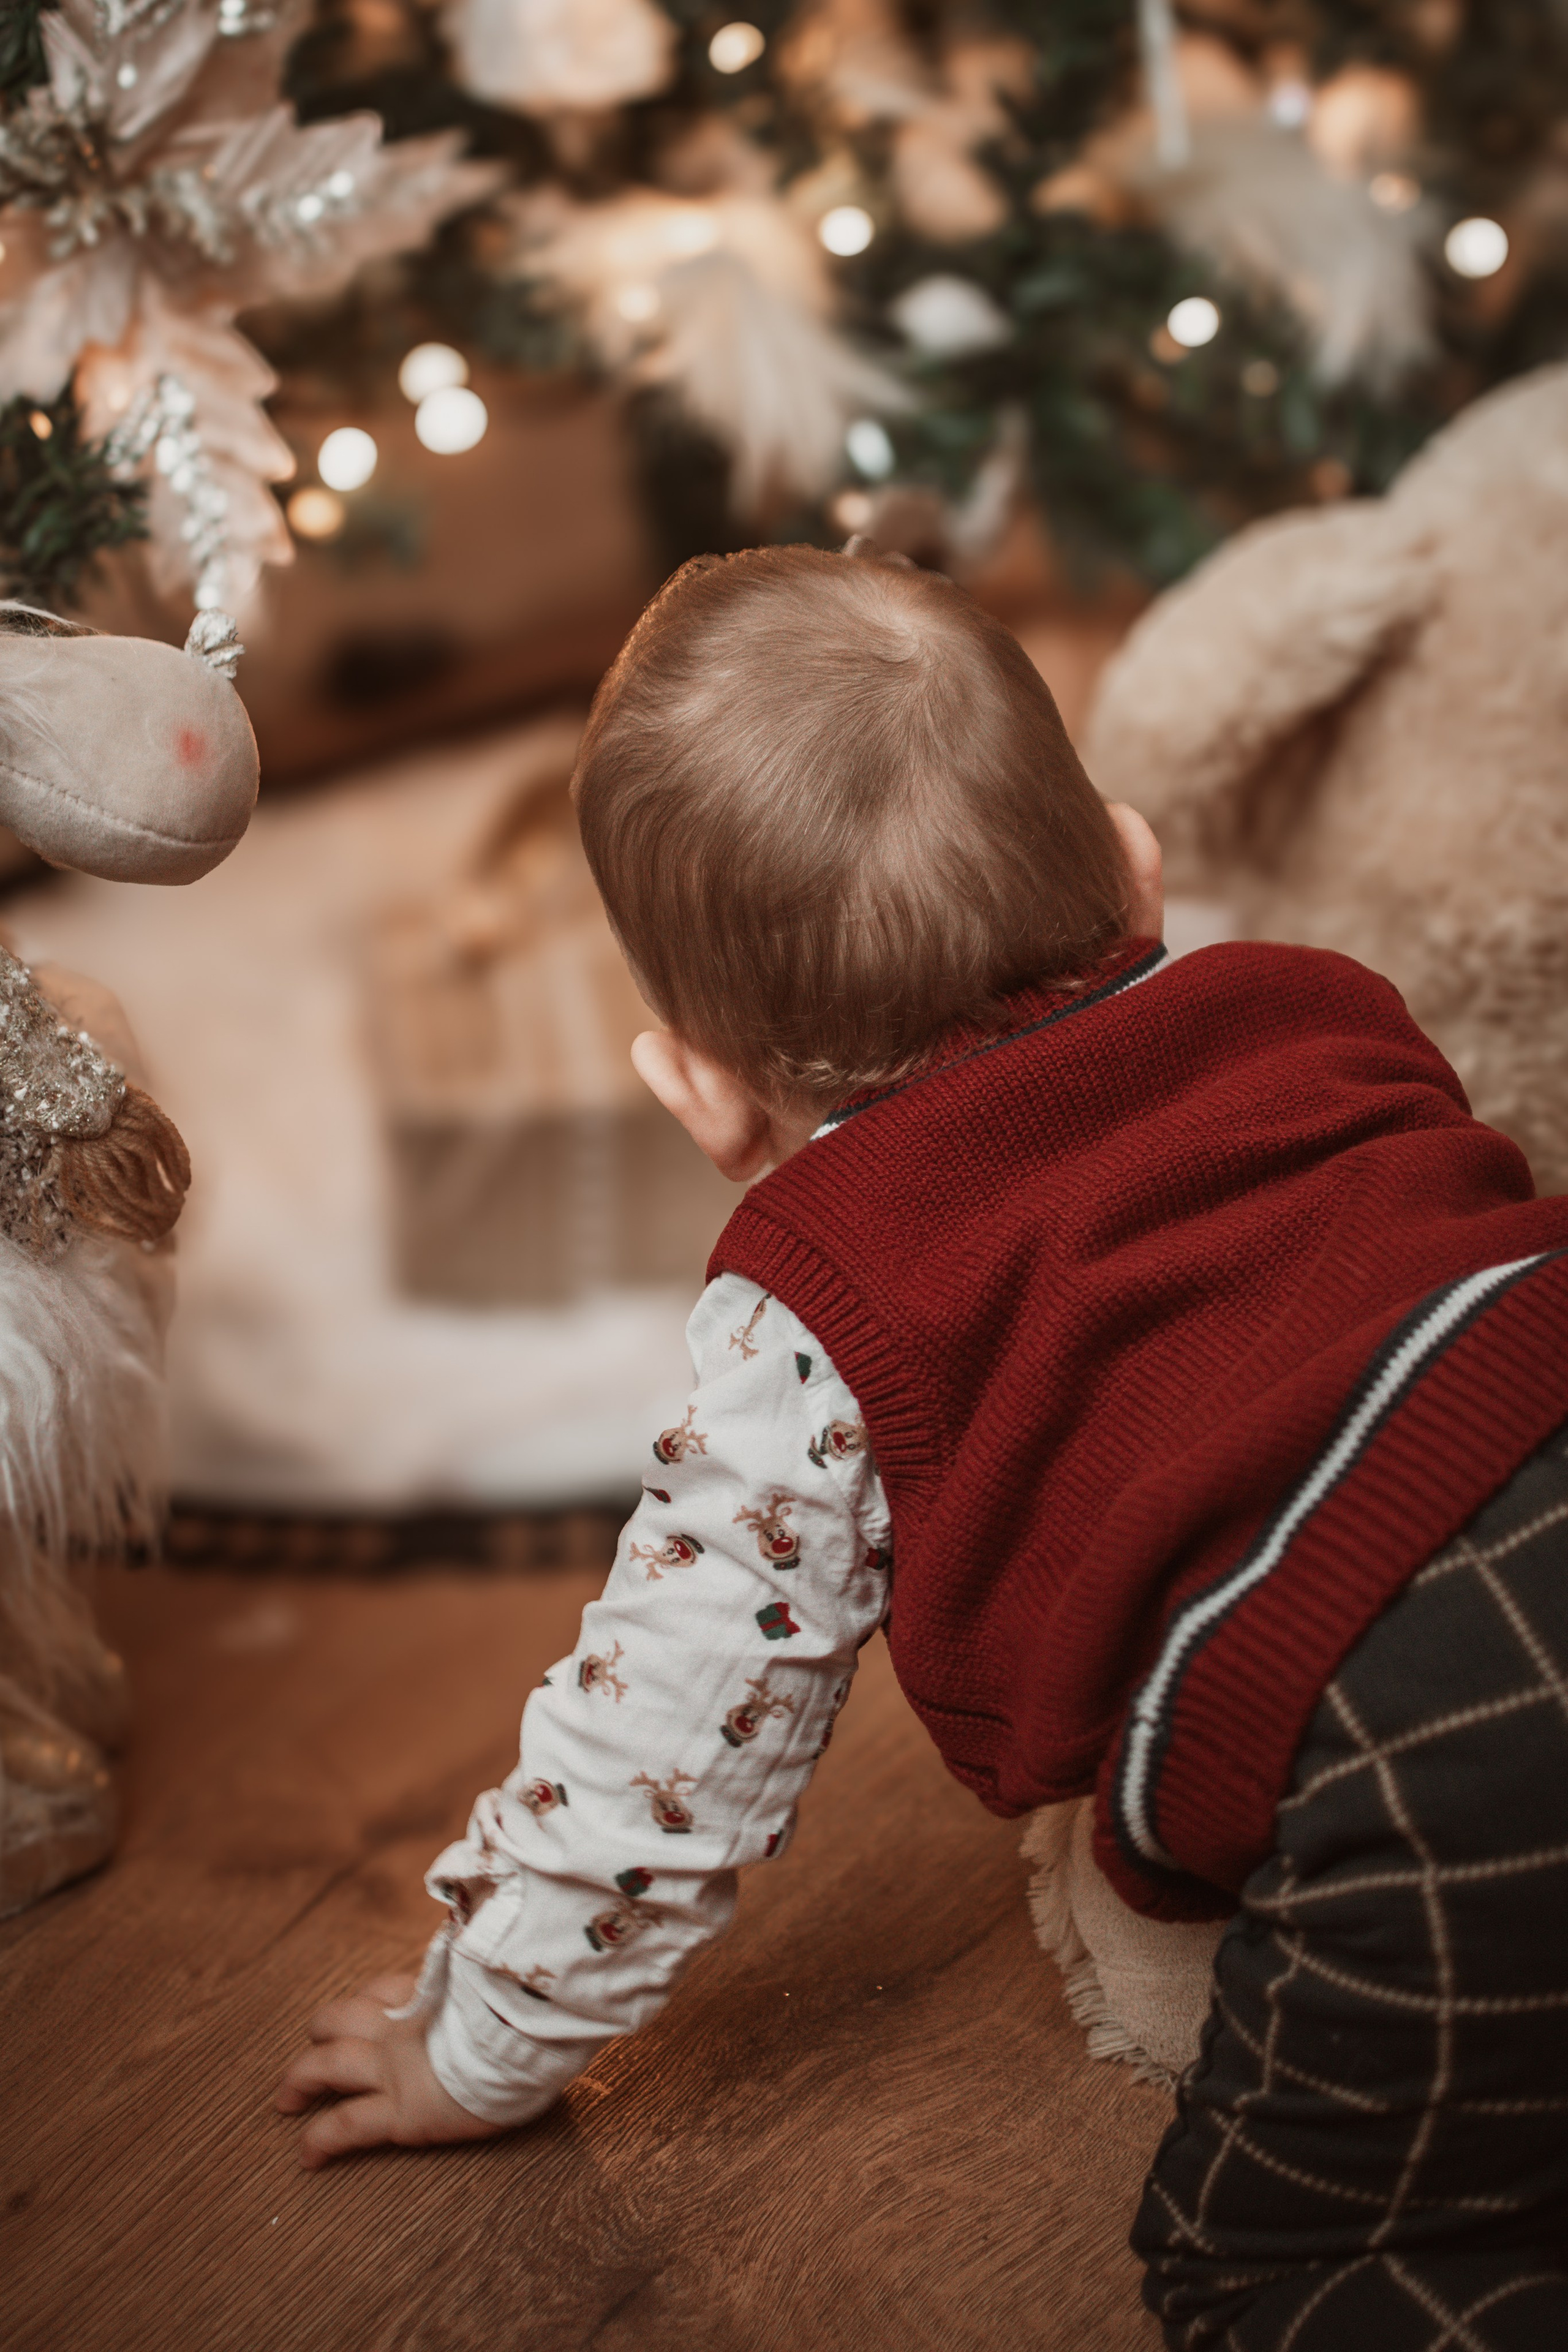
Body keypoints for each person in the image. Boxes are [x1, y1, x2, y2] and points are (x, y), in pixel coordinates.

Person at [278, 542, 1568, 2349]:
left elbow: (670, 1726)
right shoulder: (1321, 999)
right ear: (1135, 860)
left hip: (1410, 1730)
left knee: (1277, 2269)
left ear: (700, 1092)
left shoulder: (811, 1315)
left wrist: (479, 2036)